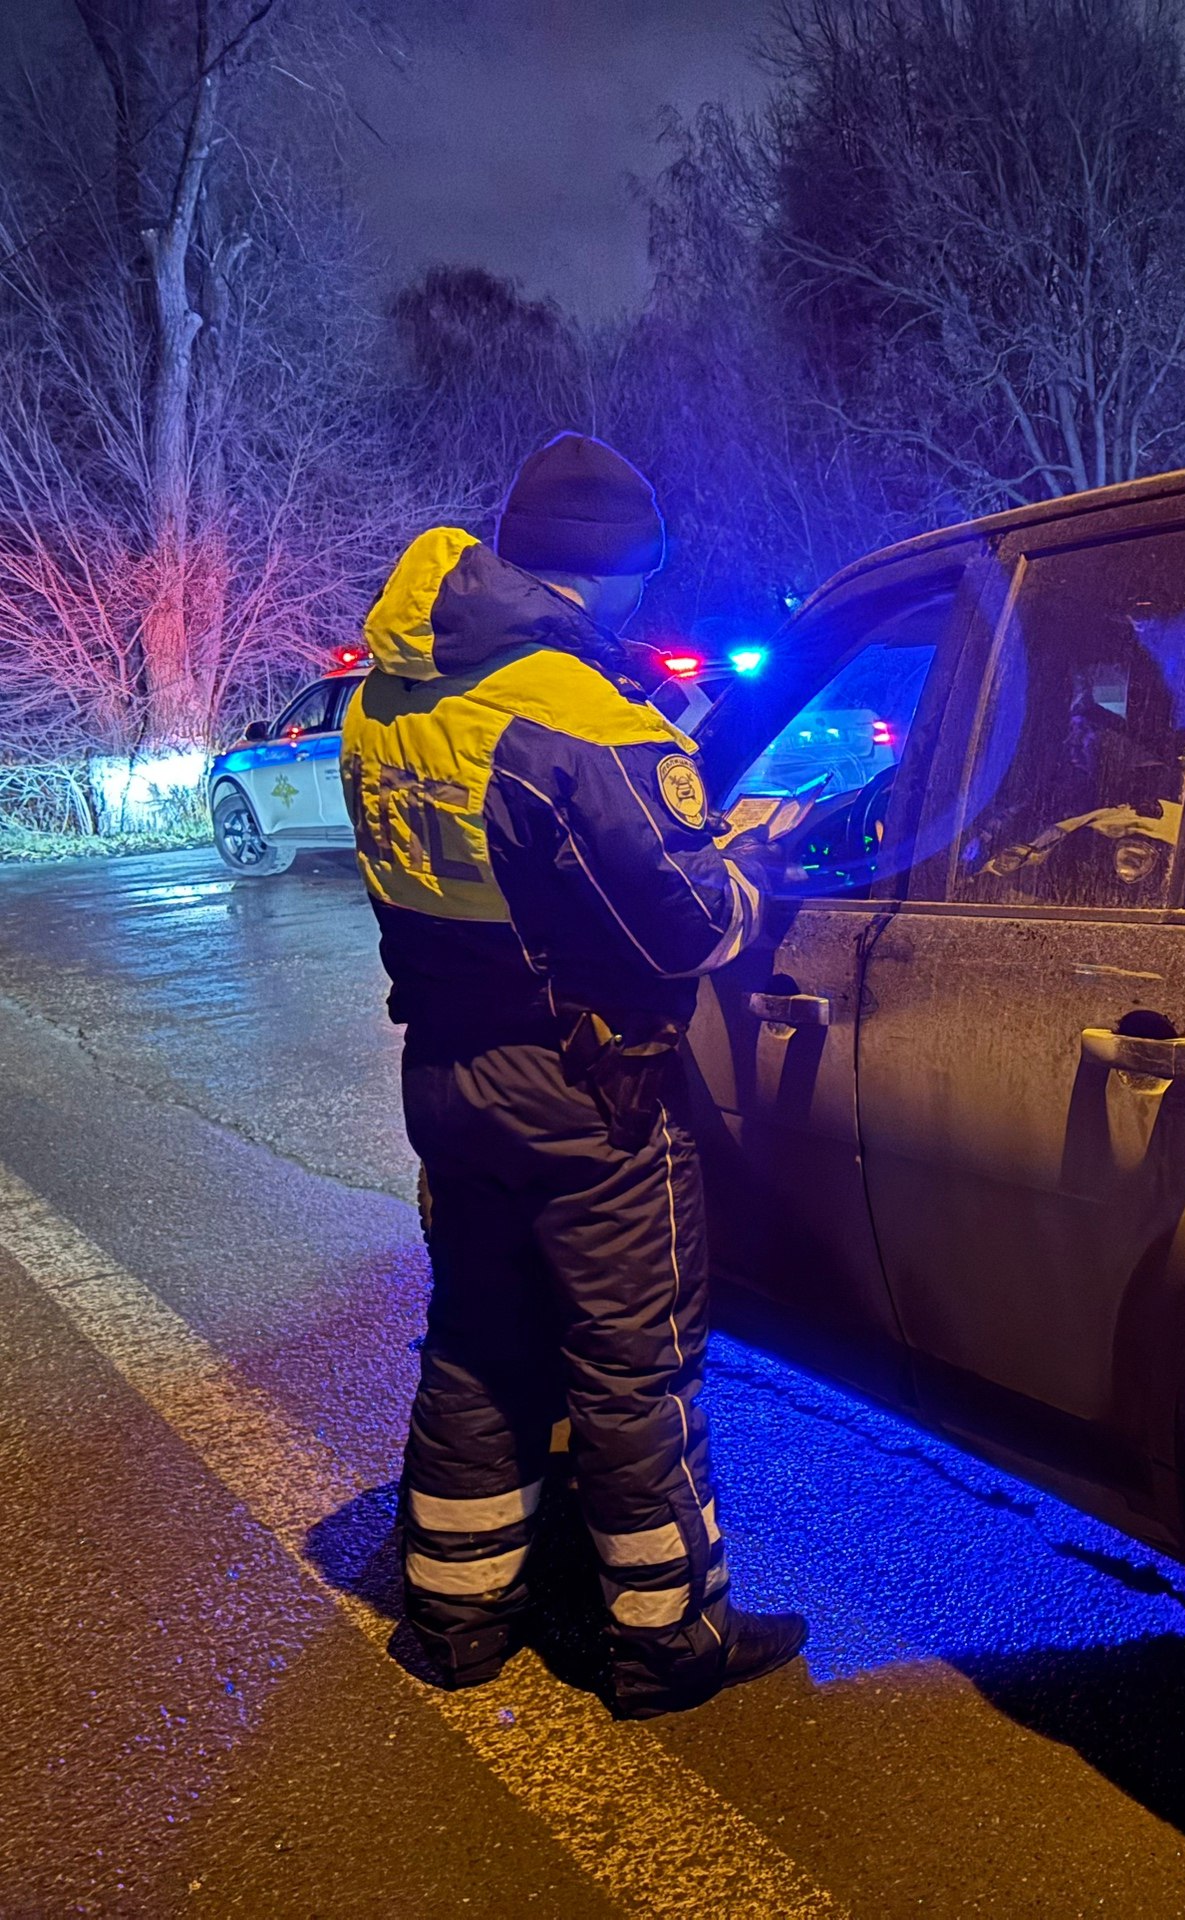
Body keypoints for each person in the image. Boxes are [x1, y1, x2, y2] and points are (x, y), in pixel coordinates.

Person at [339, 431, 803, 1717]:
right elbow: (687, 926)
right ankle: (665, 1641)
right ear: (614, 571)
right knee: (631, 1364)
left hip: (443, 1069)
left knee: (478, 1340)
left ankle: (456, 1610)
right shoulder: (574, 715)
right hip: (581, 1086)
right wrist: (749, 857)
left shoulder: (389, 696)